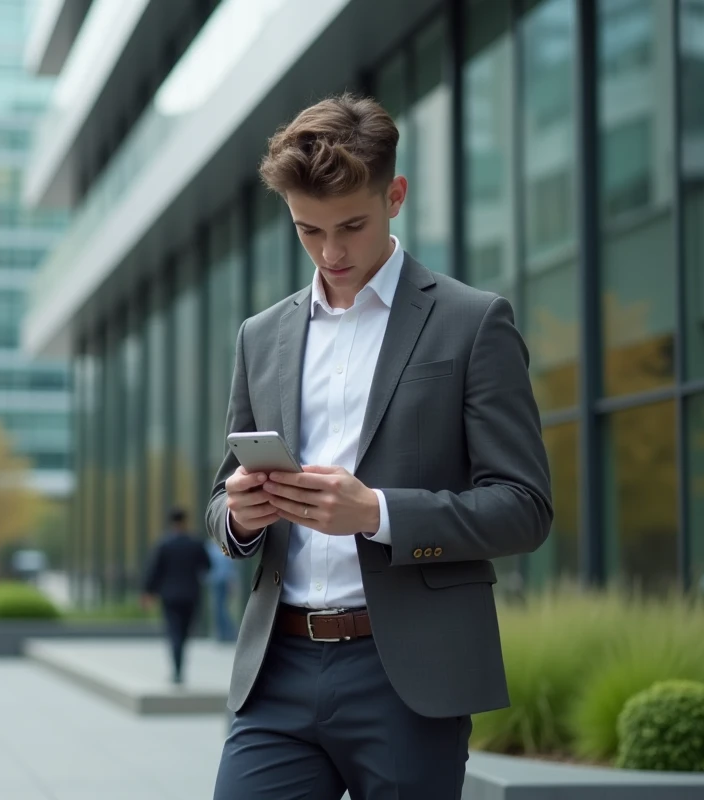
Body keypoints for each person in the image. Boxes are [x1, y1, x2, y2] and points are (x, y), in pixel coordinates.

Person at [206, 94, 553, 799]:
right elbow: (220, 503)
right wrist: (240, 516)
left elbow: (524, 507)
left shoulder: (472, 323)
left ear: (395, 195)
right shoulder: (259, 336)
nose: (331, 252)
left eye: (351, 226)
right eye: (309, 231)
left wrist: (376, 513)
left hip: (408, 678)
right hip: (278, 671)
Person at [142, 508, 211, 685]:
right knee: (185, 633)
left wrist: (148, 592)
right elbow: (207, 566)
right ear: (186, 521)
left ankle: (177, 670)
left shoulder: (164, 544)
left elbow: (154, 571)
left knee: (174, 632)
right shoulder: (195, 543)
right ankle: (180, 667)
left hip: (170, 595)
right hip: (191, 594)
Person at [206, 541, 237, 642]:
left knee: (221, 608)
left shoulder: (225, 546)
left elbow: (231, 568)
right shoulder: (210, 547)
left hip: (223, 581)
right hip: (216, 581)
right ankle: (222, 633)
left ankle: (229, 632)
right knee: (218, 608)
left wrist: (232, 582)